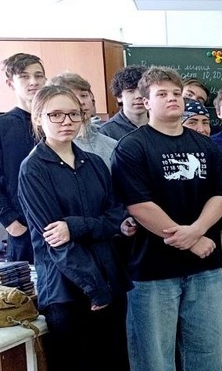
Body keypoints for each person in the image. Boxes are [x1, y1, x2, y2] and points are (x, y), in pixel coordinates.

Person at [112, 66, 222, 371]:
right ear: (146, 102)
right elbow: (139, 205)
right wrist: (190, 241)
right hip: (153, 271)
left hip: (204, 269)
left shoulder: (205, 145)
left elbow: (220, 195)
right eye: (162, 94)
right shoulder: (132, 147)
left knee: (207, 356)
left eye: (176, 93)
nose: (172, 98)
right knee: (154, 360)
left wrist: (197, 230)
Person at [18, 85, 132, 371]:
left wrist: (75, 225)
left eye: (74, 114)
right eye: (56, 114)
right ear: (38, 118)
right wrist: (94, 288)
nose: (66, 121)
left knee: (116, 363)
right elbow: (56, 240)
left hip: (109, 279)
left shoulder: (94, 163)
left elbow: (114, 218)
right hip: (67, 290)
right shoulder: (33, 168)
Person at [1, 53, 46, 263]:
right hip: (23, 230)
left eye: (38, 75)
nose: (33, 81)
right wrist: (10, 222)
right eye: (24, 76)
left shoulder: (56, 121)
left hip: (61, 227)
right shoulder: (3, 126)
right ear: (10, 83)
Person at [50, 72, 118, 169]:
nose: (81, 102)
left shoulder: (112, 145)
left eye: (84, 95)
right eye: (72, 97)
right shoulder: (54, 149)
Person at [100, 65, 149, 140]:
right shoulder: (107, 132)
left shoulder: (162, 125)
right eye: (131, 91)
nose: (138, 96)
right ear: (119, 97)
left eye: (142, 90)